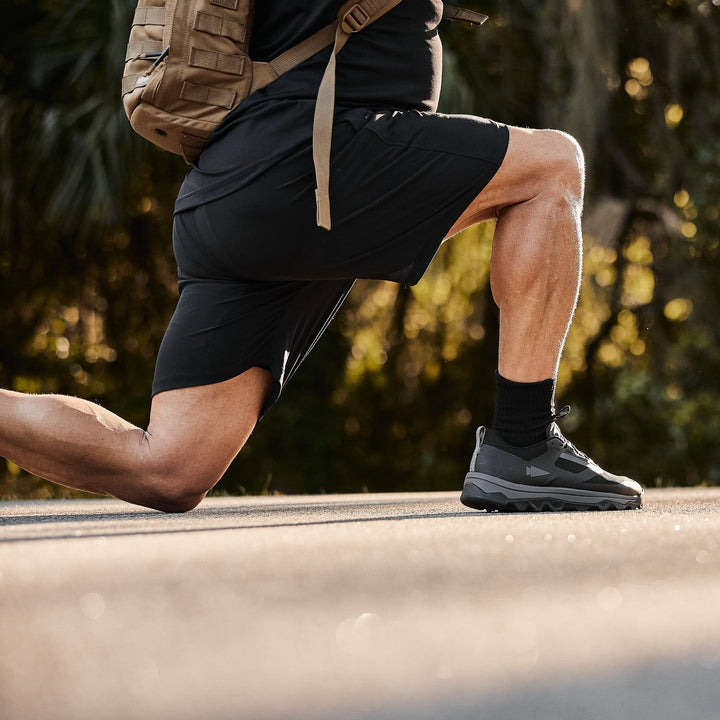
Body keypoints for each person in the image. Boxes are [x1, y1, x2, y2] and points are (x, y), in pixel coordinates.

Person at [0, 0, 643, 513]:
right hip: (308, 166)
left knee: (168, 467)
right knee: (551, 167)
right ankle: (524, 442)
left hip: (237, 188)